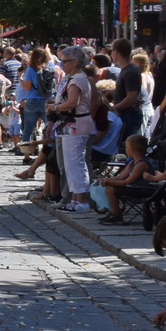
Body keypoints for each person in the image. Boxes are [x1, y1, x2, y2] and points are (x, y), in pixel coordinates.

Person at [47, 45, 96, 213]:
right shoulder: (72, 78)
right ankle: (75, 200)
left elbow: (72, 103)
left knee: (76, 163)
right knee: (70, 164)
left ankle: (81, 201)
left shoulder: (78, 79)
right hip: (69, 126)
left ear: (75, 62)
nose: (62, 64)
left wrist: (55, 107)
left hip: (76, 124)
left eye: (65, 61)